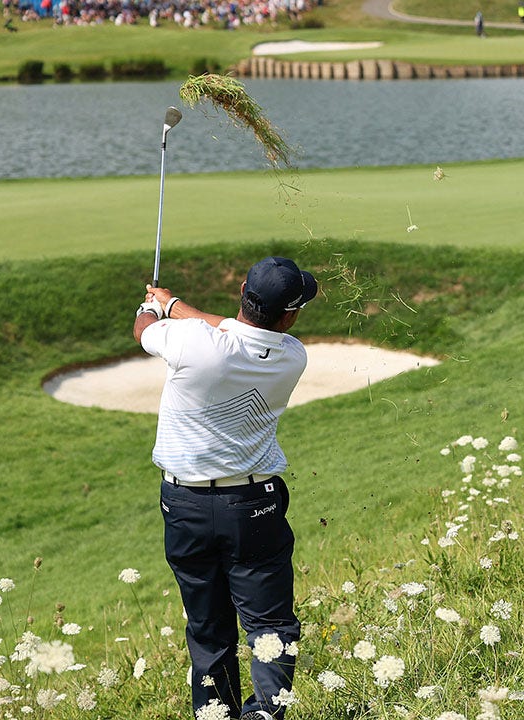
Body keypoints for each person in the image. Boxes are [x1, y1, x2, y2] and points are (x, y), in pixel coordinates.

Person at [133, 257, 318, 720]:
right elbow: (236, 331)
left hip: (184, 505)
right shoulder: (293, 354)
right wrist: (178, 306)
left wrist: (153, 309)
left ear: (241, 289)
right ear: (290, 315)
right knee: (270, 624)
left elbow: (143, 334)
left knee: (208, 628)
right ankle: (265, 714)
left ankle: (215, 714)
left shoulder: (193, 342)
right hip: (254, 504)